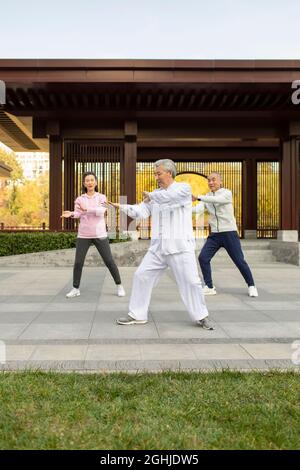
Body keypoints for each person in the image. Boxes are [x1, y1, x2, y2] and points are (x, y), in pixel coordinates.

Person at [104, 159, 213, 330]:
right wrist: (120, 206)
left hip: (179, 247)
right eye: (155, 174)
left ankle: (201, 316)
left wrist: (152, 196)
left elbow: (170, 197)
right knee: (141, 276)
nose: (156, 177)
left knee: (191, 282)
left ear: (169, 173)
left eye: (158, 173)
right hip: (158, 248)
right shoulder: (155, 194)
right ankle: (137, 315)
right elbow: (140, 211)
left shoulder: (183, 189)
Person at [192, 172, 258, 297]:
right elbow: (198, 210)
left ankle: (251, 285)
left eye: (213, 180)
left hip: (229, 233)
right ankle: (209, 286)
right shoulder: (207, 196)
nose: (210, 182)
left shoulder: (226, 193)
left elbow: (218, 200)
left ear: (220, 182)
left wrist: (199, 197)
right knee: (203, 258)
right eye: (209, 180)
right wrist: (181, 207)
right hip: (215, 235)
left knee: (239, 261)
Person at [61, 171, 125, 298]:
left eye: (92, 180)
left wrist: (87, 210)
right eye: (87, 180)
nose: (90, 182)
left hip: (100, 233)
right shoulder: (80, 199)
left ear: (96, 182)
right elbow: (79, 213)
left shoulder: (102, 197)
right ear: (84, 184)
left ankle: (119, 285)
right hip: (84, 234)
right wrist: (72, 214)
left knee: (108, 260)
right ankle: (75, 288)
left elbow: (102, 211)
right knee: (78, 262)